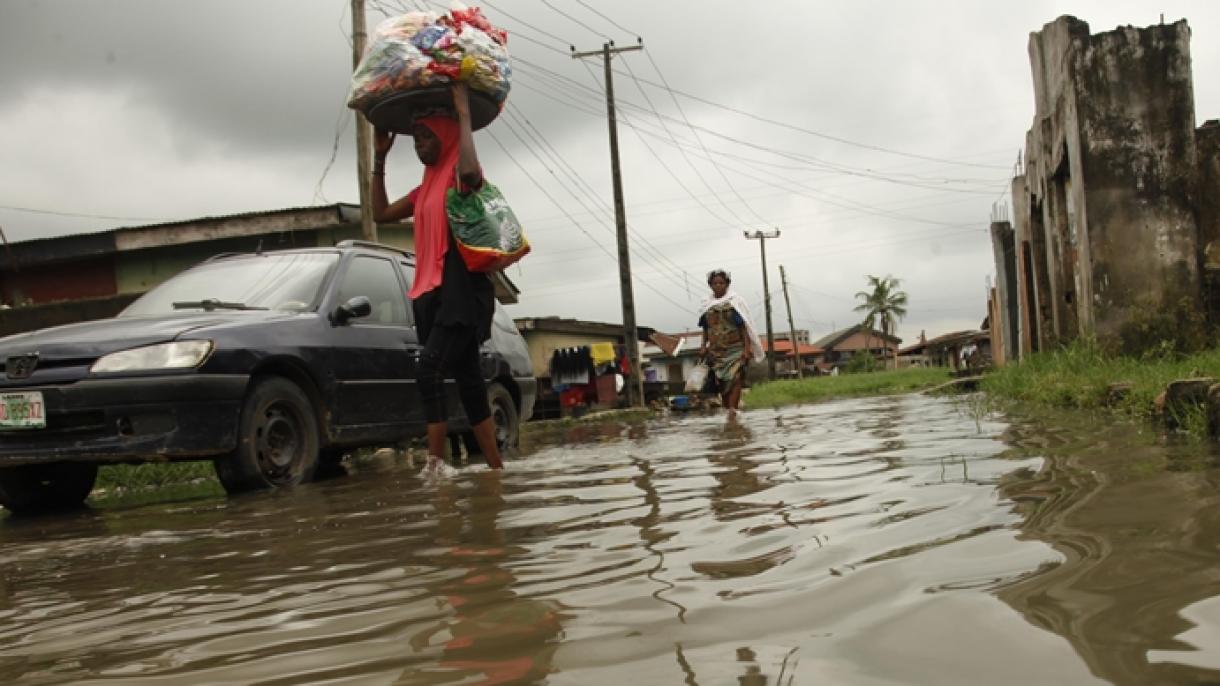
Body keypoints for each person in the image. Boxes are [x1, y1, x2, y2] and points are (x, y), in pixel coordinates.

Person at [371, 83, 503, 471]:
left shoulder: (458, 180)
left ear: (445, 136)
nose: (419, 145)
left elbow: (470, 170)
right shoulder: (423, 188)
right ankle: (496, 470)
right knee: (469, 382)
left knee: (428, 369)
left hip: (461, 295)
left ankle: (434, 466)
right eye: (416, 139)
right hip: (432, 294)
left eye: (427, 137)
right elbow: (380, 213)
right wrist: (380, 158)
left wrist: (463, 116)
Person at [697, 269, 765, 419]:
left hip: (735, 348)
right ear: (710, 285)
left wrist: (747, 349)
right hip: (716, 351)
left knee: (735, 379)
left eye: (721, 283)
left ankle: (733, 410)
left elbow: (744, 327)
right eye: (715, 283)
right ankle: (729, 410)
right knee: (722, 382)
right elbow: (705, 328)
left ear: (727, 284)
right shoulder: (706, 305)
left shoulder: (735, 302)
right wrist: (703, 346)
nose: (718, 286)